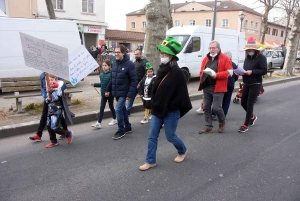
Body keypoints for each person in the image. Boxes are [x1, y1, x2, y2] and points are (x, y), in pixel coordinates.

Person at [139, 37, 192, 171]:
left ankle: (182, 150)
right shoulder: (161, 69)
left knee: (170, 136)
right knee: (152, 136)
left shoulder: (178, 73)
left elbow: (182, 95)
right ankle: (150, 161)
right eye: (161, 53)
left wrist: (171, 105)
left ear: (172, 56)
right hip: (157, 109)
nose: (162, 56)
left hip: (170, 111)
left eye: (165, 54)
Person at [198, 40, 232, 134]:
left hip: (218, 87)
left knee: (216, 107)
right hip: (206, 86)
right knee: (206, 107)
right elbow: (202, 70)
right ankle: (208, 126)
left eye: (213, 48)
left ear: (218, 48)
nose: (211, 50)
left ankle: (222, 121)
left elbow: (230, 72)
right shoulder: (206, 58)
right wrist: (202, 78)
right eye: (210, 48)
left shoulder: (225, 58)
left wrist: (217, 75)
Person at [105, 45, 137, 140]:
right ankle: (127, 126)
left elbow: (134, 80)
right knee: (122, 109)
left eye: (118, 52)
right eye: (115, 52)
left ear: (123, 53)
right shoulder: (115, 63)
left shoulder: (130, 64)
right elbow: (112, 78)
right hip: (117, 92)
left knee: (118, 109)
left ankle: (121, 130)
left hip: (125, 92)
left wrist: (130, 94)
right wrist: (107, 89)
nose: (116, 54)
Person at [28, 72, 69, 141]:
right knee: (45, 115)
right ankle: (39, 134)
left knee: (57, 116)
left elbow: (64, 86)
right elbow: (42, 87)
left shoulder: (55, 73)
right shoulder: (42, 75)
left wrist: (54, 87)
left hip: (56, 99)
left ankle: (65, 132)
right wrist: (46, 96)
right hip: (48, 98)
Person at [238, 36, 267, 133]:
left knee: (250, 104)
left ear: (255, 49)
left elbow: (264, 70)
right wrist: (241, 72)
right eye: (248, 49)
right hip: (246, 82)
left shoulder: (261, 58)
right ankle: (252, 117)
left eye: (251, 49)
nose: (249, 51)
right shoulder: (247, 58)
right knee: (243, 102)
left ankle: (245, 124)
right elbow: (245, 68)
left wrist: (252, 72)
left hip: (256, 83)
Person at [45, 74, 73, 148]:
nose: (50, 81)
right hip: (50, 108)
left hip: (57, 109)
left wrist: (52, 90)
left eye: (52, 80)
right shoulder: (48, 88)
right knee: (49, 126)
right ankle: (53, 141)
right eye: (49, 80)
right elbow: (48, 101)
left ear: (55, 80)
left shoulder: (58, 87)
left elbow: (59, 94)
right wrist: (48, 98)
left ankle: (67, 133)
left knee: (54, 127)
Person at [211, 51, 239, 120]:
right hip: (230, 85)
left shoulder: (221, 64)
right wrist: (232, 81)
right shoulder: (234, 65)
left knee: (217, 100)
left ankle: (214, 114)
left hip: (222, 85)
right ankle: (223, 115)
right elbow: (236, 77)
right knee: (226, 101)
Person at [90, 60, 117, 129]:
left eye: (106, 66)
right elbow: (102, 84)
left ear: (109, 66)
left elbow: (112, 84)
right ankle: (99, 123)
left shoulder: (111, 74)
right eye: (103, 66)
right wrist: (94, 84)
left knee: (111, 106)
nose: (104, 67)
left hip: (110, 94)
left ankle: (114, 119)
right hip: (103, 94)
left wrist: (109, 92)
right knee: (102, 107)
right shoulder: (101, 75)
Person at [126, 49, 148, 115]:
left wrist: (141, 83)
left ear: (141, 54)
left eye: (137, 54)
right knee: (130, 97)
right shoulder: (135, 62)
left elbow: (147, 74)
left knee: (144, 99)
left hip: (142, 85)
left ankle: (149, 110)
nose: (136, 55)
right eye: (135, 54)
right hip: (134, 84)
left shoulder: (146, 62)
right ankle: (127, 112)